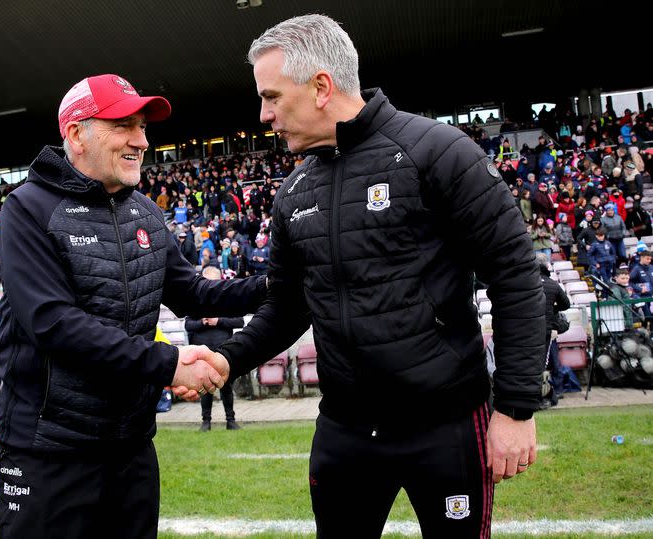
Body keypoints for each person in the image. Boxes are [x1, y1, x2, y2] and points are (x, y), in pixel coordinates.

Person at [189, 15, 545, 538]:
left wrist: (515, 409)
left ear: (320, 88)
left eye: (271, 96)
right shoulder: (292, 193)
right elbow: (287, 306)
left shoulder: (439, 153)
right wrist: (226, 357)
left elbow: (516, 277)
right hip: (346, 429)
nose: (263, 115)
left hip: (445, 423)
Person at [0, 74, 266, 539]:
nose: (141, 140)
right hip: (50, 450)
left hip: (131, 446)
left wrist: (277, 281)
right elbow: (54, 323)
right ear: (77, 133)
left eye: (142, 127)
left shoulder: (145, 211)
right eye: (123, 125)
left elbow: (195, 294)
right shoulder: (27, 209)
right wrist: (168, 365)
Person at [184, 266, 245, 432]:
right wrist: (202, 322)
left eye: (214, 280)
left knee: (226, 387)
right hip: (202, 351)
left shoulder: (228, 299)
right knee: (205, 388)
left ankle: (230, 420)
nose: (211, 285)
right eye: (207, 281)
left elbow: (239, 321)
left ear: (220, 280)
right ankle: (206, 422)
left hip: (224, 351)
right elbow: (188, 325)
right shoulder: (195, 301)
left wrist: (218, 321)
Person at [537, 254, 570, 409]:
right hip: (546, 330)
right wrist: (553, 308)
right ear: (547, 266)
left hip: (528, 330)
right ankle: (547, 396)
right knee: (544, 363)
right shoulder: (553, 284)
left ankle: (540, 396)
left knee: (533, 364)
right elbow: (566, 304)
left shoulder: (527, 283)